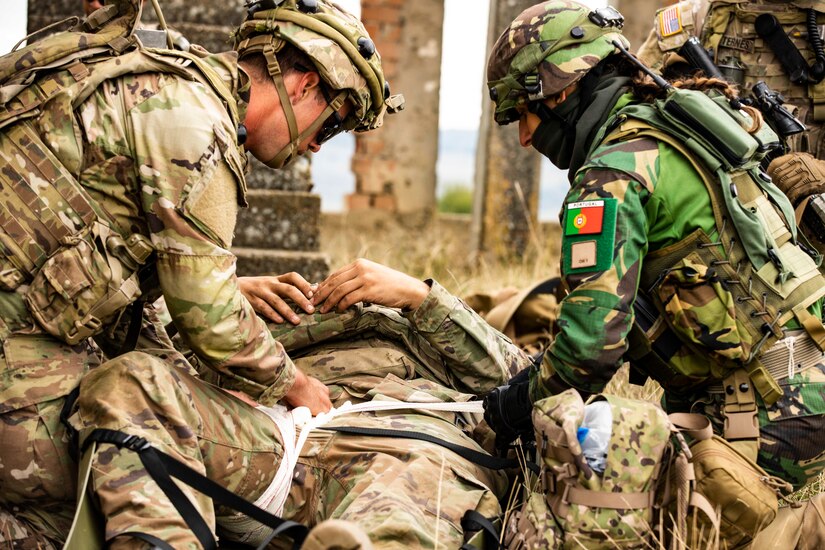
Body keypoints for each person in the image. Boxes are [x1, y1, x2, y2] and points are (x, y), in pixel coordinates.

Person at [0, 0, 403, 547]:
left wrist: (224, 289)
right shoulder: (197, 131)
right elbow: (213, 323)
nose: (314, 145)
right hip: (15, 385)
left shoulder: (154, 81)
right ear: (306, 84)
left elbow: (84, 251)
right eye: (329, 126)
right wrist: (298, 387)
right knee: (148, 437)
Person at [484, 0, 825, 546]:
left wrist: (508, 407)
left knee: (588, 520)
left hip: (769, 422)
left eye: (524, 113)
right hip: (810, 383)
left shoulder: (612, 173)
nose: (525, 136)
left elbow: (587, 354)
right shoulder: (683, 122)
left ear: (562, 91)